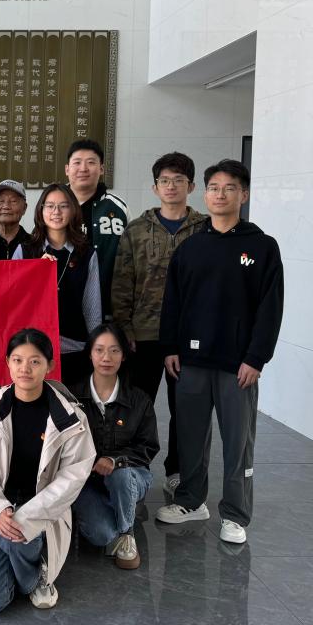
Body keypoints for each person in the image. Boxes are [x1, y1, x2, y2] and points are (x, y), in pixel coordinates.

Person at [157, 159, 284, 545]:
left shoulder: (262, 247)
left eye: (229, 188)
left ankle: (235, 514)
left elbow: (270, 308)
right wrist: (170, 347)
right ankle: (191, 500)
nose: (220, 194)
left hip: (237, 365)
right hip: (192, 361)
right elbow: (173, 302)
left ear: (243, 195)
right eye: (214, 187)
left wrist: (256, 358)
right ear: (205, 194)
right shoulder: (191, 247)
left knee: (238, 443)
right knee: (190, 437)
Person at [0, 328, 95, 617]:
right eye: (18, 360)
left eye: (35, 361)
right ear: (7, 362)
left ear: (50, 365)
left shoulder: (71, 417)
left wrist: (25, 517)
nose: (25, 369)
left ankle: (34, 574)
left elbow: (71, 479)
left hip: (42, 511)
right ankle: (27, 572)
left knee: (19, 535)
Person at [111, 152, 206, 494]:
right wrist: (125, 329)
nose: (171, 186)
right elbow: (122, 284)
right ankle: (134, 470)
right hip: (144, 336)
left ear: (191, 186)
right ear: (154, 187)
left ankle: (177, 471)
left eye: (179, 180)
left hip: (189, 337)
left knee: (186, 410)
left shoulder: (206, 229)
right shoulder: (136, 230)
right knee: (137, 408)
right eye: (164, 180)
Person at [71, 323, 159, 570]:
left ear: (124, 355)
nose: (106, 358)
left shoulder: (139, 400)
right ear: (90, 354)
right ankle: (118, 514)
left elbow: (148, 447)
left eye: (114, 350)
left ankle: (127, 533)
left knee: (120, 475)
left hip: (131, 475)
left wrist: (114, 460)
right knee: (102, 535)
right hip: (88, 482)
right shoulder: (72, 397)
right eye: (99, 350)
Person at [12, 184, 102, 388]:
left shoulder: (86, 253)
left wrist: (96, 347)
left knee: (72, 404)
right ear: (41, 210)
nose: (56, 212)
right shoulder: (25, 250)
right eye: (50, 206)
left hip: (74, 347)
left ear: (73, 210)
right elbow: (15, 301)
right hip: (33, 349)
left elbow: (92, 307)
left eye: (63, 206)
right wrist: (35, 271)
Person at [64, 140, 128, 317]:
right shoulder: (52, 206)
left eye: (91, 162)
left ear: (101, 169)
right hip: (62, 306)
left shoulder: (118, 208)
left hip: (108, 306)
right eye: (77, 162)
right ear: (67, 169)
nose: (83, 168)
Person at [0, 180, 30, 259]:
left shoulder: (35, 245)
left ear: (24, 208)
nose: (6, 206)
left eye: (13, 201)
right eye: (1, 201)